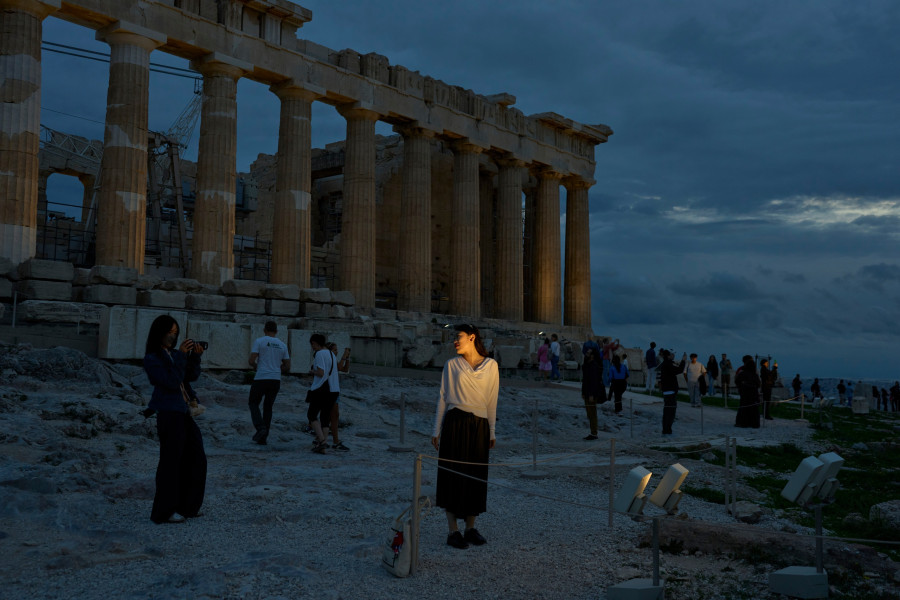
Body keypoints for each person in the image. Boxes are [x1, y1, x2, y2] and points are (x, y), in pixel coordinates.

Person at [431, 324, 499, 550]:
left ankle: (470, 527)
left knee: (475, 475)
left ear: (472, 337)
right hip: (455, 422)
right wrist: (436, 430)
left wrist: (491, 430)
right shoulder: (451, 365)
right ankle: (453, 531)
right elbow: (443, 397)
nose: (455, 341)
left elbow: (492, 400)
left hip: (479, 424)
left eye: (458, 337)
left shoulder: (491, 366)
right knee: (452, 475)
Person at [142, 315, 207, 524]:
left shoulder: (172, 354)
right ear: (159, 332)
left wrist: (194, 357)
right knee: (171, 463)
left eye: (175, 333)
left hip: (183, 412)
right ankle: (163, 511)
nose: (173, 336)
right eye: (169, 332)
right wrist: (181, 356)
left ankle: (188, 506)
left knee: (196, 458)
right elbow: (171, 381)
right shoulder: (152, 358)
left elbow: (188, 377)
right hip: (168, 413)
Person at [247, 321, 290, 445]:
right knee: (268, 407)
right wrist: (277, 369)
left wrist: (256, 366)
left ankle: (260, 428)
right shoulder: (282, 344)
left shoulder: (260, 341)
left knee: (253, 403)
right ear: (276, 331)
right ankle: (263, 438)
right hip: (275, 379)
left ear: (264, 330)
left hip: (261, 377)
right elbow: (287, 365)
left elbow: (251, 360)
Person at [308, 333, 339, 454]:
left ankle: (322, 441)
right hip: (334, 389)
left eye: (313, 344)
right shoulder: (332, 354)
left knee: (311, 415)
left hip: (322, 388)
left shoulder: (320, 354)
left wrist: (312, 371)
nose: (312, 347)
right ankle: (323, 448)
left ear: (317, 343)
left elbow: (321, 372)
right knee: (325, 417)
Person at [326, 342, 351, 451]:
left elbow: (344, 369)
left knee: (331, 416)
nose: (337, 352)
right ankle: (335, 441)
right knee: (333, 415)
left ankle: (322, 438)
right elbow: (340, 367)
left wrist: (347, 358)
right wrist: (344, 356)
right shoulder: (329, 359)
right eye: (335, 350)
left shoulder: (334, 359)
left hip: (333, 390)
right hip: (330, 391)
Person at [658, 350, 686, 435]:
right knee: (670, 412)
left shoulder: (666, 363)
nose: (673, 355)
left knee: (668, 411)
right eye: (672, 354)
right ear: (668, 356)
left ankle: (667, 429)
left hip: (667, 390)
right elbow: (679, 370)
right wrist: (683, 360)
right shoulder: (667, 364)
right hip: (669, 391)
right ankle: (667, 430)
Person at [581, 348, 605, 440]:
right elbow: (585, 380)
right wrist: (583, 392)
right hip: (587, 392)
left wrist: (591, 394)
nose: (586, 354)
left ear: (592, 355)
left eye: (588, 353)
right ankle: (592, 431)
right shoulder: (587, 364)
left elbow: (594, 381)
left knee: (592, 413)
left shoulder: (594, 366)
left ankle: (594, 433)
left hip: (591, 393)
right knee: (589, 413)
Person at [734, 355, 760, 428]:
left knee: (744, 408)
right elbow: (758, 384)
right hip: (753, 394)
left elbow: (737, 381)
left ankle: (743, 422)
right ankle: (754, 423)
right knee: (753, 409)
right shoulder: (755, 374)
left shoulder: (742, 373)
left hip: (744, 393)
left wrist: (742, 387)